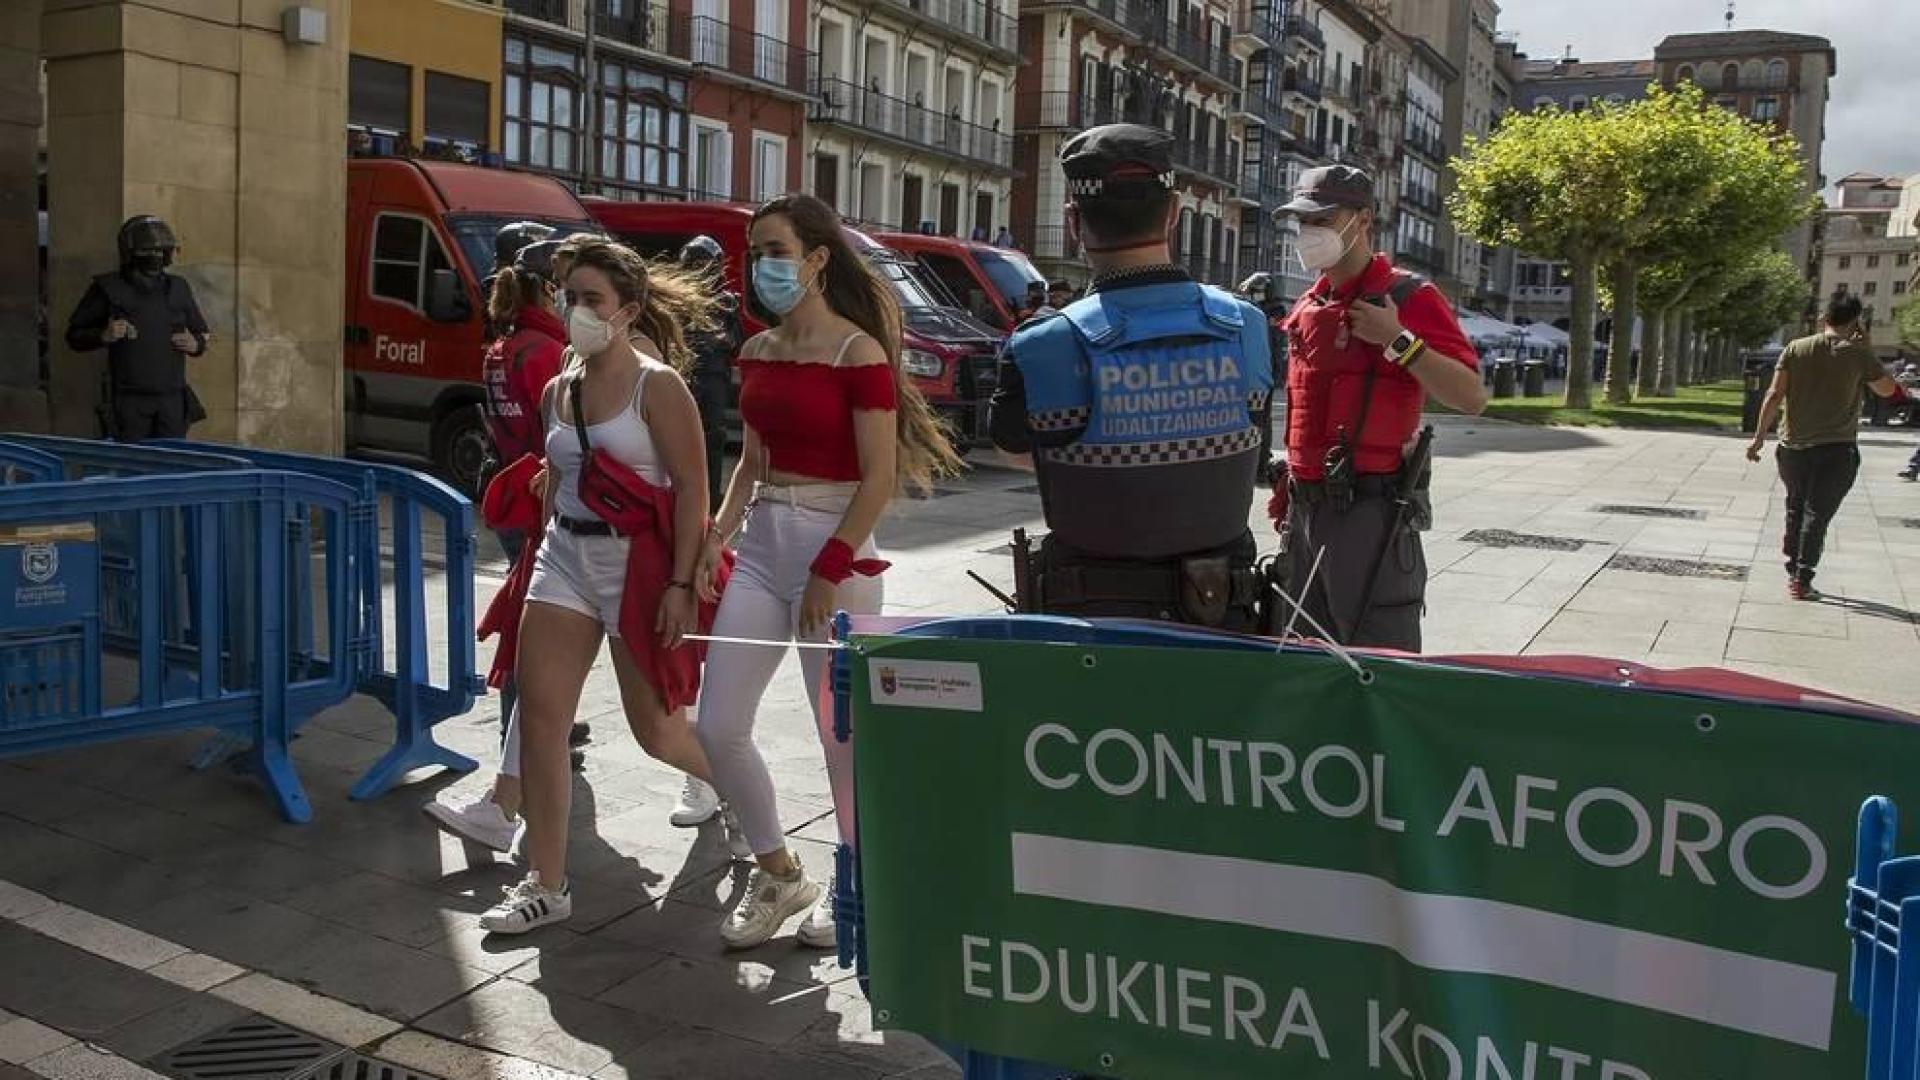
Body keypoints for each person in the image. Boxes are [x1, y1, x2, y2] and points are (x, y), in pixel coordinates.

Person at [692, 193, 960, 950]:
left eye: (773, 250)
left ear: (817, 258)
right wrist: (718, 533)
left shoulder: (859, 355)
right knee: (718, 726)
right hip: (765, 546)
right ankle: (779, 874)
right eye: (753, 250)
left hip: (833, 550)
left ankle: (863, 881)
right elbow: (750, 459)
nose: (760, 265)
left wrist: (829, 566)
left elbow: (878, 477)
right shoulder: (759, 349)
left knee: (841, 738)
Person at [477, 238, 740, 933]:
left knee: (655, 731)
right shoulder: (558, 387)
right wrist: (540, 517)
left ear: (628, 311)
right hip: (566, 557)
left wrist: (682, 585)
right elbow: (559, 474)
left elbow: (692, 490)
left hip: (637, 567)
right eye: (570, 297)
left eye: (592, 299)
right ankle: (546, 881)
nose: (576, 310)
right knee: (539, 717)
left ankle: (738, 788)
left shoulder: (659, 386)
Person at [987, 124, 1272, 630]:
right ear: (1175, 212)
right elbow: (1250, 446)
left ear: (1074, 222)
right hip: (1222, 616)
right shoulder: (1248, 326)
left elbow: (1015, 450)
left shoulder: (1040, 344)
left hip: (1091, 629)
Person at [1273, 165, 1488, 650]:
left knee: (1380, 662)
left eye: (1324, 219)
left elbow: (1471, 397)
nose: (1311, 233)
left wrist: (1399, 341)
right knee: (1302, 663)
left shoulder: (1409, 297)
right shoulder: (1309, 304)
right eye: (1304, 222)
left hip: (1371, 514)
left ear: (1363, 219)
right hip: (1305, 513)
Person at [424, 237, 574, 854]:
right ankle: (536, 738)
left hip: (515, 496)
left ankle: (536, 740)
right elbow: (561, 438)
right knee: (541, 640)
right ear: (547, 288)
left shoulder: (501, 348)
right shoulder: (550, 352)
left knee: (532, 630)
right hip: (548, 503)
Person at [1746, 295, 1909, 599]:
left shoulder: (1796, 348)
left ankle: (1793, 558)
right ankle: (1802, 576)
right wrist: (1868, 350)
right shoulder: (1859, 355)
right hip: (1836, 450)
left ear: (1825, 317)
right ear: (1856, 321)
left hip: (1792, 446)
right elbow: (1887, 390)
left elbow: (1773, 394)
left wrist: (1757, 438)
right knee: (1817, 514)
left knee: (1796, 505)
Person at [669, 233, 744, 830]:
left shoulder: (729, 307)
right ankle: (705, 770)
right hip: (681, 444)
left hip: (712, 446)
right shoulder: (671, 313)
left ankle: (716, 771)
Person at [65, 215, 209, 440]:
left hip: (171, 398)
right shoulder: (108, 288)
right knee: (133, 461)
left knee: (172, 462)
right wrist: (103, 335)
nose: (156, 257)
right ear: (132, 253)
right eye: (149, 251)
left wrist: (196, 345)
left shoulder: (178, 288)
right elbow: (74, 336)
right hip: (129, 400)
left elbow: (201, 333)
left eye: (161, 251)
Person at [1238, 271, 1289, 480]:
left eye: (1255, 292)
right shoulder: (1271, 313)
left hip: (1262, 372)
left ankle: (1259, 464)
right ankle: (1257, 461)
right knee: (1259, 419)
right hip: (1263, 372)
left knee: (1261, 421)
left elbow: (1270, 346)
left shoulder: (1269, 314)